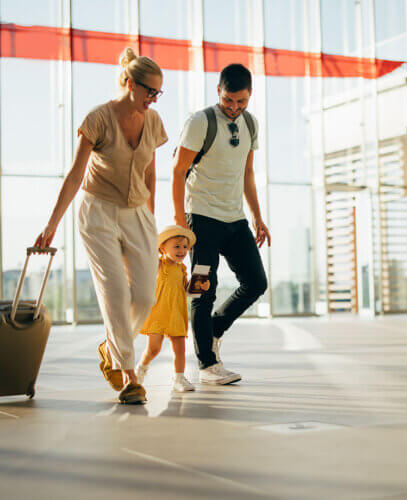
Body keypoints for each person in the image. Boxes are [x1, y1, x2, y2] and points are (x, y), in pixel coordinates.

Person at [34, 47, 168, 404]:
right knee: (115, 293)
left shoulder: (153, 122)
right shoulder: (98, 118)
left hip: (138, 213)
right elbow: (76, 173)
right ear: (129, 83)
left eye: (158, 93)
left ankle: (112, 348)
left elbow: (151, 173)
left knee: (144, 295)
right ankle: (128, 376)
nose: (153, 99)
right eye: (149, 91)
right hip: (98, 212)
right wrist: (52, 225)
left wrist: (152, 220)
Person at [171, 63, 271, 385]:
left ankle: (212, 330)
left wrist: (257, 216)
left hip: (234, 217)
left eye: (241, 102)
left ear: (250, 96)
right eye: (229, 100)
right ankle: (207, 364)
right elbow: (177, 171)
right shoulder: (200, 122)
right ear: (218, 91)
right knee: (203, 289)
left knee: (256, 282)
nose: (234, 107)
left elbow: (248, 174)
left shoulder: (251, 124)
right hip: (200, 216)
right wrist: (179, 220)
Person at [135, 225, 209, 392]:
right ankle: (142, 367)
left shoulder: (182, 268)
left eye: (184, 247)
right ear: (162, 248)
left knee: (180, 348)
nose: (182, 250)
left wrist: (200, 285)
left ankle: (179, 378)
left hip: (176, 312)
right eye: (176, 246)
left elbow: (187, 290)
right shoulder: (159, 265)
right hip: (159, 313)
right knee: (154, 348)